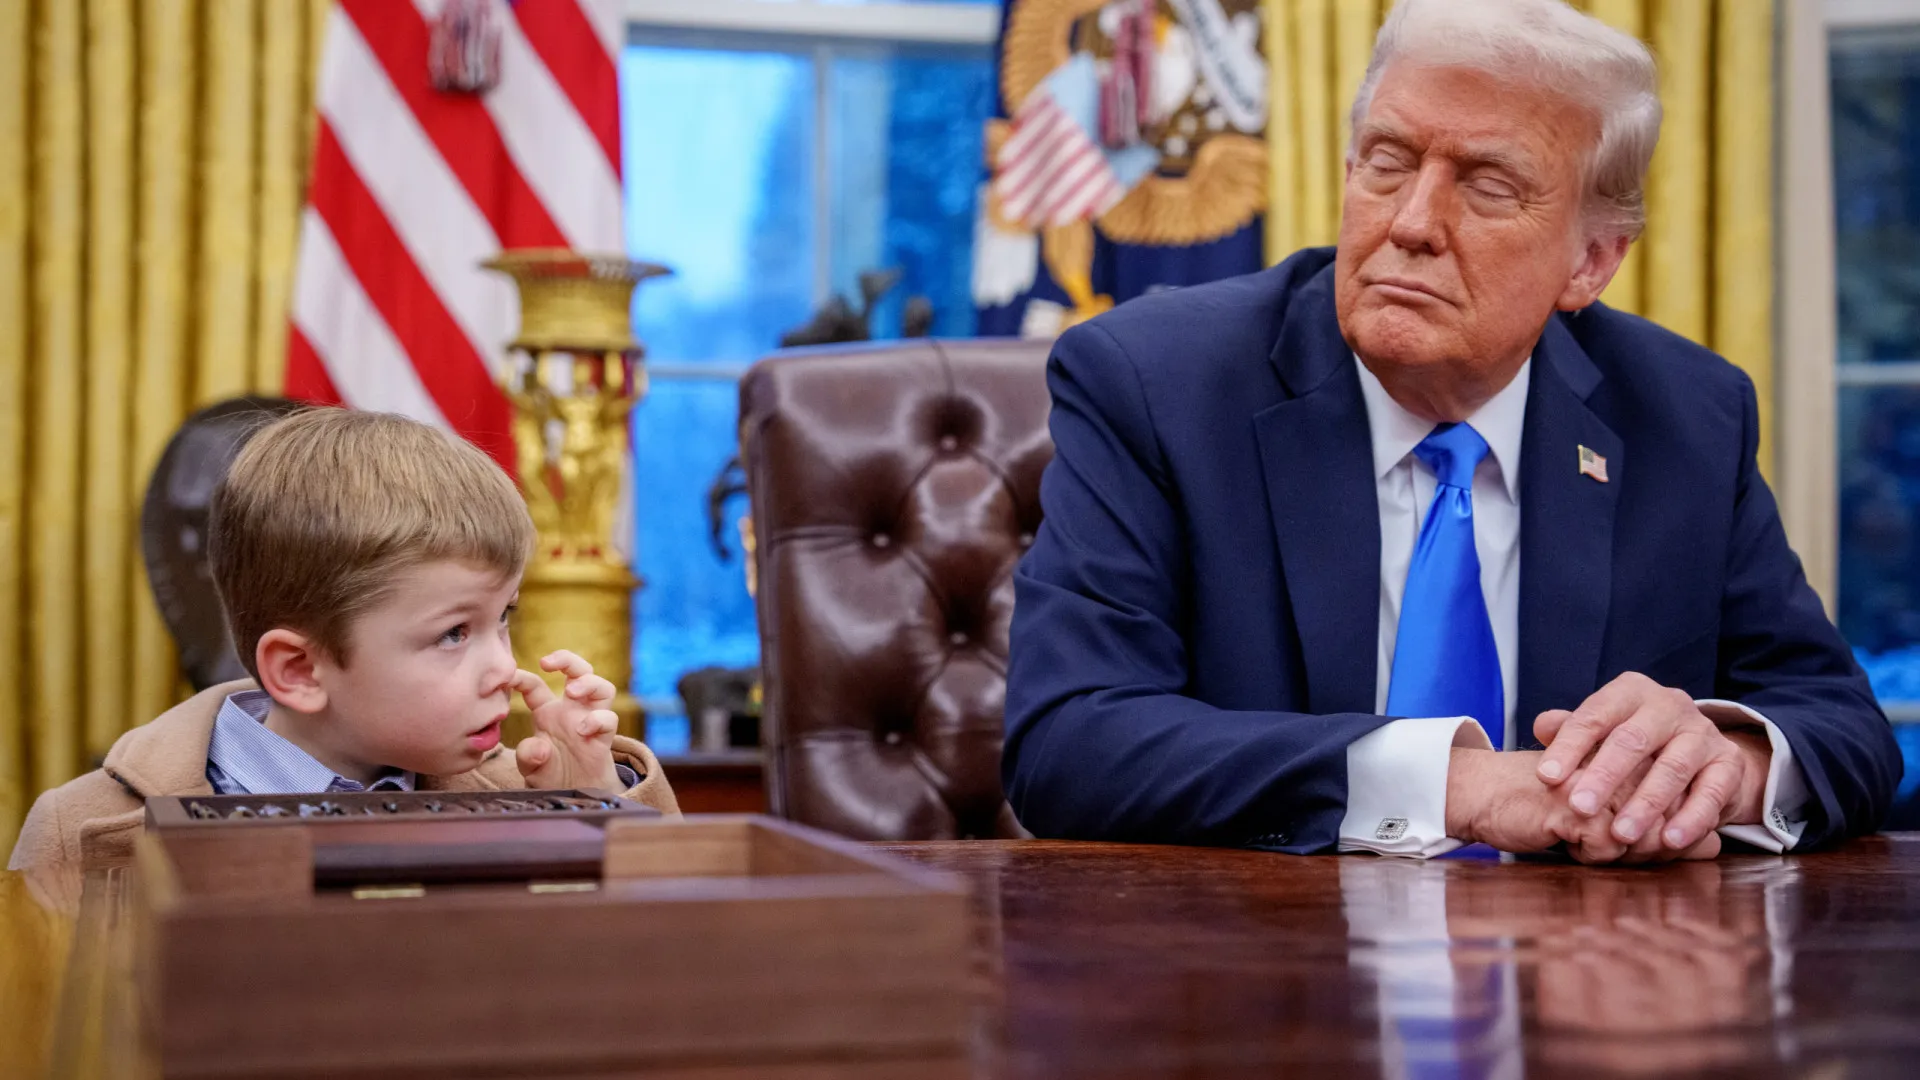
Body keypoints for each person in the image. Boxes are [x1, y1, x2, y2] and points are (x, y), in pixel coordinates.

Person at [1003, 0, 1901, 863]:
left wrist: (1714, 771)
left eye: (1489, 186)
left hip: (1590, 959)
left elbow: (1844, 727)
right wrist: (1460, 786)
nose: (1411, 223)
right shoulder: (1156, 385)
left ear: (1590, 262)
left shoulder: (1686, 416)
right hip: (1262, 953)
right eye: (1387, 162)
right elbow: (1068, 740)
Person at [8, 408, 678, 910]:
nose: (505, 667)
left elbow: (671, 966)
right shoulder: (76, 827)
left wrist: (593, 806)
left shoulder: (523, 795)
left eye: (503, 618)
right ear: (300, 671)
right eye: (454, 633)